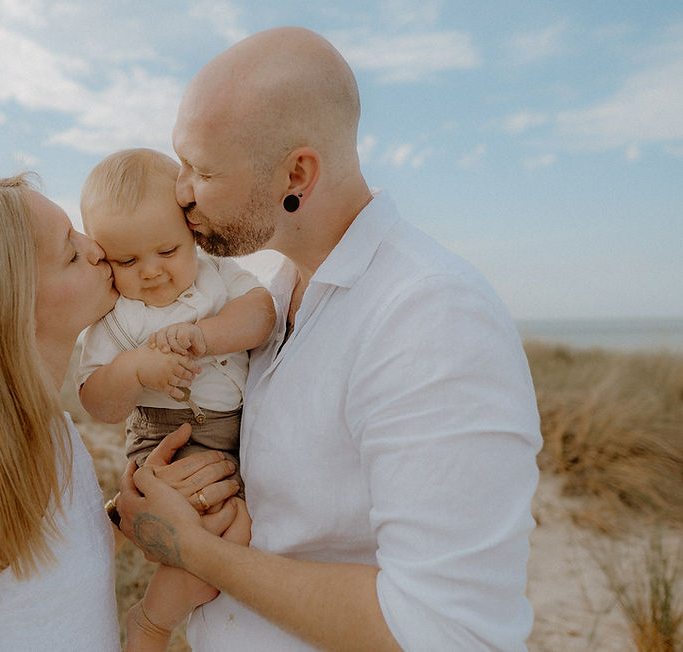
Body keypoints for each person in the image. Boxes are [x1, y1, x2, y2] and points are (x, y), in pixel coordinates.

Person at [117, 26, 542, 652]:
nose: (179, 193)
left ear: (296, 173)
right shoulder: (275, 296)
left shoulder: (430, 315)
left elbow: (446, 631)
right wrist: (163, 497)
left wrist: (193, 552)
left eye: (200, 171)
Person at [0, 174, 246, 650]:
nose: (97, 250)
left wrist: (126, 515)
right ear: (11, 303)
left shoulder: (49, 430)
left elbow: (39, 579)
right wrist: (150, 626)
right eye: (70, 252)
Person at [76, 148, 275, 498]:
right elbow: (97, 402)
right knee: (207, 512)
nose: (151, 271)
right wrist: (134, 368)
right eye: (126, 260)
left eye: (168, 252)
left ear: (192, 234)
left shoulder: (216, 273)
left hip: (247, 432)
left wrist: (206, 335)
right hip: (167, 443)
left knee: (259, 514)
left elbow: (261, 315)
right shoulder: (117, 315)